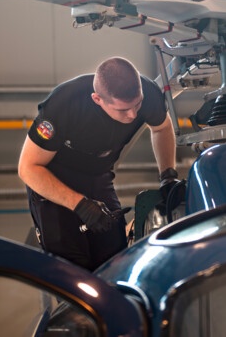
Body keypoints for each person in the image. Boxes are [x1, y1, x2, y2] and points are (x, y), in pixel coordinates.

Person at [17, 56, 178, 271]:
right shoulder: (64, 105)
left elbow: (161, 128)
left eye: (137, 105)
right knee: (71, 269)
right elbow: (28, 168)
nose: (133, 115)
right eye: (123, 110)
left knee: (115, 257)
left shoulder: (147, 94)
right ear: (97, 99)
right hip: (53, 179)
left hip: (98, 175)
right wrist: (80, 204)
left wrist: (168, 174)